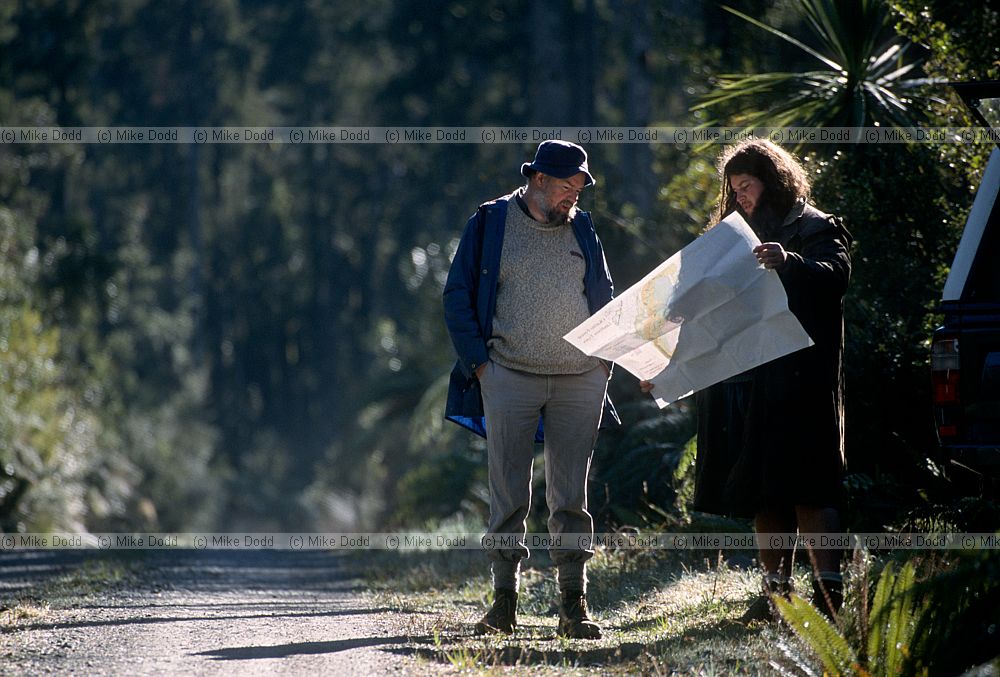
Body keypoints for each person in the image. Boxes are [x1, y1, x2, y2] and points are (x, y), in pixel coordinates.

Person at [641, 138, 852, 621]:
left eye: (747, 186)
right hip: (747, 383)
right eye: (733, 189)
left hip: (803, 382)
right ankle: (776, 597)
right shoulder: (729, 237)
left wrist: (790, 261)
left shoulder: (815, 226)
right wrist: (664, 368)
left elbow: (836, 276)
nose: (739, 197)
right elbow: (703, 314)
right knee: (763, 489)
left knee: (810, 488)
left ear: (773, 181)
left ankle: (830, 599)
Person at [443, 140, 618, 639]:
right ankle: (503, 604)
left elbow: (602, 289)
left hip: (581, 376)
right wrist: (480, 365)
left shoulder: (582, 225)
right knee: (509, 491)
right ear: (538, 179)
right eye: (567, 186)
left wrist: (605, 361)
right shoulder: (490, 222)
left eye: (580, 188)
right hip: (508, 374)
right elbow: (456, 294)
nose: (573, 197)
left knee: (570, 495)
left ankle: (573, 607)